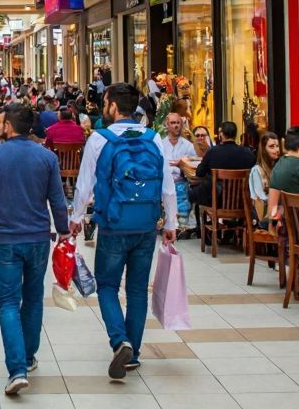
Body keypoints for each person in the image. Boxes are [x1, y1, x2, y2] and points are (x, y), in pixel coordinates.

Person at [70, 83, 177, 380]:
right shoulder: (153, 138)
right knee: (137, 290)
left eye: (105, 102)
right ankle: (135, 353)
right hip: (145, 225)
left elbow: (84, 184)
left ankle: (120, 340)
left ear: (114, 107)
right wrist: (170, 224)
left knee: (106, 285)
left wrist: (77, 217)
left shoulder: (100, 139)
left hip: (113, 225)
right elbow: (167, 185)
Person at [0, 103, 70, 396]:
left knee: (9, 302)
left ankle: (17, 369)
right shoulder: (47, 157)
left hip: (5, 240)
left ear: (9, 126)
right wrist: (62, 231)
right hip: (38, 238)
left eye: (1, 122)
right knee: (33, 299)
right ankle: (28, 355)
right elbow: (57, 199)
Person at [192, 121, 255, 209]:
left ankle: (201, 221)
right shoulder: (248, 153)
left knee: (194, 190)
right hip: (241, 201)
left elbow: (199, 173)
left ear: (221, 134)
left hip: (217, 202)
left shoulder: (213, 152)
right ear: (235, 134)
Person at [158, 113, 196, 231]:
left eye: (178, 123)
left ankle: (182, 224)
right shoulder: (161, 144)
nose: (176, 126)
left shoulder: (188, 145)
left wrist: (182, 165)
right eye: (173, 123)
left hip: (182, 182)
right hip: (164, 182)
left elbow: (194, 165)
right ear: (167, 125)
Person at [249, 132, 281, 227]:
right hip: (263, 215)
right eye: (271, 146)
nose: (276, 150)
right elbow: (260, 198)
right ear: (263, 150)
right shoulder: (256, 170)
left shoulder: (277, 168)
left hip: (276, 211)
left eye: (277, 146)